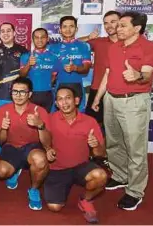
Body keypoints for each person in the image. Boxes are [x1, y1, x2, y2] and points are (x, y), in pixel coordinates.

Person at [92, 11, 153, 211]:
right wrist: (98, 98)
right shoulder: (114, 47)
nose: (118, 29)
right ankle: (120, 176)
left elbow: (146, 75)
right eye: (117, 25)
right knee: (114, 142)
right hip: (111, 99)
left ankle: (135, 191)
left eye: (123, 25)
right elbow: (108, 73)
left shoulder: (148, 47)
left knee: (135, 149)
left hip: (134, 102)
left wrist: (136, 75)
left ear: (137, 28)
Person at [45, 86, 107, 224]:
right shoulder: (49, 119)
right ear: (56, 104)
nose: (64, 103)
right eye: (60, 99)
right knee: (54, 207)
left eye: (68, 98)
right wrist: (47, 149)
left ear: (77, 100)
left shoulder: (90, 121)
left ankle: (85, 199)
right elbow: (44, 142)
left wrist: (95, 144)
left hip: (80, 166)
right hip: (57, 169)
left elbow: (101, 154)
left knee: (100, 176)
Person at [0, 77, 51, 211]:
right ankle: (16, 169)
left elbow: (47, 143)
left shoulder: (40, 111)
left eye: (22, 92)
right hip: (11, 147)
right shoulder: (4, 110)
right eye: (15, 92)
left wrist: (40, 126)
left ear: (30, 94)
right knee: (1, 172)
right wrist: (3, 128)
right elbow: (1, 141)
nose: (18, 96)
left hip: (31, 147)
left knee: (40, 160)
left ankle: (34, 189)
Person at [80, 11, 121, 126]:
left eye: (113, 22)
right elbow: (75, 44)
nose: (109, 26)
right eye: (106, 23)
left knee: (117, 130)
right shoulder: (99, 42)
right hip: (97, 89)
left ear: (121, 22)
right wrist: (88, 37)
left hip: (119, 91)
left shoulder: (128, 43)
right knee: (92, 126)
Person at [49, 16, 92, 112]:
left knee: (79, 117)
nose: (68, 29)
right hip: (58, 86)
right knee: (57, 118)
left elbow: (86, 69)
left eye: (71, 26)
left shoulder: (84, 46)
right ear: (60, 29)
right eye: (64, 26)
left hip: (77, 86)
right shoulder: (52, 48)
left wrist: (75, 68)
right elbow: (51, 73)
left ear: (76, 29)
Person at [0, 22, 28, 111]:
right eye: (2, 31)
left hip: (18, 96)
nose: (6, 33)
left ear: (14, 33)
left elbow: (26, 73)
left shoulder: (23, 50)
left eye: (8, 31)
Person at [20, 28, 58, 112]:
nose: (39, 40)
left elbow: (54, 76)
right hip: (30, 95)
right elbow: (22, 75)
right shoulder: (26, 56)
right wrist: (28, 64)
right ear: (33, 39)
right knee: (30, 122)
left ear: (47, 39)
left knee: (47, 122)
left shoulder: (54, 57)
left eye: (43, 37)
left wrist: (47, 86)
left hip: (48, 95)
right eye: (36, 37)